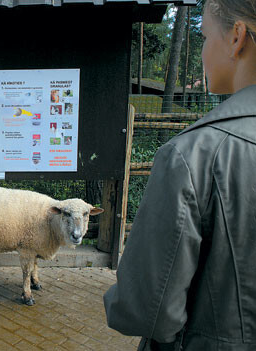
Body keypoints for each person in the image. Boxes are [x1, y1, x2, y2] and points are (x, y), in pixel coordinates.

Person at [104, 0, 256, 350]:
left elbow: (145, 309)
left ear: (237, 38)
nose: (202, 51)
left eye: (204, 37)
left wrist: (118, 300)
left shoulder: (194, 155)